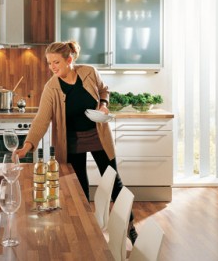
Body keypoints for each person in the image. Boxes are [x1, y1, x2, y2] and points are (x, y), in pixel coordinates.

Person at [13, 40, 138, 244]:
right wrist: (27, 146)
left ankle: (130, 226)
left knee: (115, 182)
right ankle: (85, 230)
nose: (52, 67)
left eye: (56, 62)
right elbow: (41, 119)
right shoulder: (51, 88)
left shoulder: (89, 72)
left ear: (69, 60)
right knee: (79, 189)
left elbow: (104, 90)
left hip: (98, 136)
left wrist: (103, 105)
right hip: (71, 142)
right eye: (49, 63)